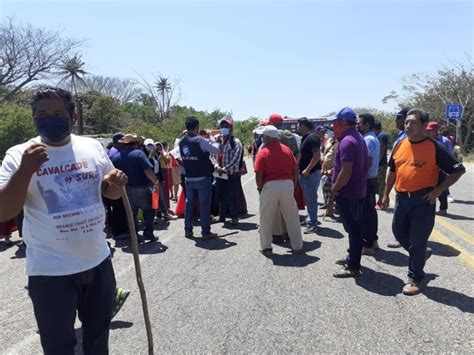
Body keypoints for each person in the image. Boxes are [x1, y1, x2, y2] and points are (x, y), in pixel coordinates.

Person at [0, 87, 128, 354]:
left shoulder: (91, 146)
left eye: (58, 113)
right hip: (50, 273)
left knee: (97, 338)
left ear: (73, 116)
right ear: (33, 117)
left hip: (98, 263)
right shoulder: (18, 155)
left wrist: (115, 184)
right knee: (59, 346)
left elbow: (110, 192)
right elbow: (4, 211)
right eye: (42, 114)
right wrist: (26, 170)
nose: (50, 119)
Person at [382, 109, 465, 295]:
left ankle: (416, 278)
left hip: (423, 201)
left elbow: (457, 170)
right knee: (399, 233)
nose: (408, 125)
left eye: (413, 123)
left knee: (418, 241)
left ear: (423, 126)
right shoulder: (399, 145)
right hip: (402, 199)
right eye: (407, 122)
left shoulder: (434, 147)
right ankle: (420, 255)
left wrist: (439, 190)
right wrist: (386, 194)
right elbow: (392, 171)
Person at [330, 107, 368, 278]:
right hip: (357, 190)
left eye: (336, 122)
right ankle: (352, 257)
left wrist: (335, 188)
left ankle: (353, 266)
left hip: (348, 192)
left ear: (343, 123)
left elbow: (346, 171)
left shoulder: (346, 142)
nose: (333, 125)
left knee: (353, 230)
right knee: (355, 229)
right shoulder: (357, 137)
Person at [255, 125, 303, 255]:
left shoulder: (263, 152)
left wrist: (259, 188)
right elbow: (295, 169)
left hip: (270, 186)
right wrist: (293, 183)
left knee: (266, 217)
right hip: (287, 184)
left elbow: (259, 173)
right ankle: (297, 246)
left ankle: (266, 246)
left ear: (266, 137)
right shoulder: (286, 149)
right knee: (292, 216)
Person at [112, 134, 160, 242]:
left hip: (125, 190)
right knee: (149, 211)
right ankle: (148, 233)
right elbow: (148, 171)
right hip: (140, 187)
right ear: (136, 144)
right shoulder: (138, 154)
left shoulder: (116, 157)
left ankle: (135, 237)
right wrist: (155, 182)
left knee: (130, 214)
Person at [179, 116, 219, 240]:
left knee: (189, 204)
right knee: (204, 205)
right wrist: (211, 138)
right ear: (197, 127)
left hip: (189, 178)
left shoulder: (181, 142)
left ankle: (188, 230)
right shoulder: (200, 140)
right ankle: (205, 232)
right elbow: (216, 150)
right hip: (202, 177)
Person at [386, 107, 411, 249]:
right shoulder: (401, 136)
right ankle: (405, 239)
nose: (396, 121)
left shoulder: (411, 138)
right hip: (400, 183)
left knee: (403, 218)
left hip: (411, 186)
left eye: (398, 118)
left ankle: (407, 241)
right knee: (401, 218)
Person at [356, 113, 381, 255]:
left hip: (367, 180)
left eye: (360, 123)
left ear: (367, 125)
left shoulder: (368, 140)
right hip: (370, 179)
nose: (357, 125)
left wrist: (358, 178)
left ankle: (368, 244)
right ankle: (373, 241)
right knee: (370, 213)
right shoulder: (371, 138)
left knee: (366, 215)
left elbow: (368, 161)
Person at [215, 118, 243, 225]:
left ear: (231, 129)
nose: (223, 129)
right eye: (222, 127)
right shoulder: (218, 141)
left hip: (231, 174)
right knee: (221, 195)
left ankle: (234, 217)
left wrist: (225, 169)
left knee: (232, 196)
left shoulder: (236, 142)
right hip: (219, 173)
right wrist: (217, 165)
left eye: (226, 127)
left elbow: (236, 158)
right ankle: (221, 216)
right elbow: (213, 155)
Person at [297, 117, 322, 234]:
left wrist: (307, 169)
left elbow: (317, 155)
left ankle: (312, 223)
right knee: (308, 198)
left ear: (304, 126)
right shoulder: (306, 137)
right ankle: (309, 218)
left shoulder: (312, 137)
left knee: (311, 198)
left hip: (311, 173)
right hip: (306, 173)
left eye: (299, 126)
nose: (297, 128)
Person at [426, 121, 453, 215]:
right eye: (427, 130)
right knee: (428, 188)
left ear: (436, 130)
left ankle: (443, 208)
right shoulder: (426, 140)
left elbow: (450, 155)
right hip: (429, 169)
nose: (428, 132)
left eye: (430, 130)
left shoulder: (445, 141)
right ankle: (428, 207)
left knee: (442, 189)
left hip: (441, 169)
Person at [373, 120, 388, 209]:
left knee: (381, 182)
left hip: (381, 164)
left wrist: (376, 163)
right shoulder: (378, 135)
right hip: (378, 163)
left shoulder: (382, 136)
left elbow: (381, 151)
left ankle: (380, 201)